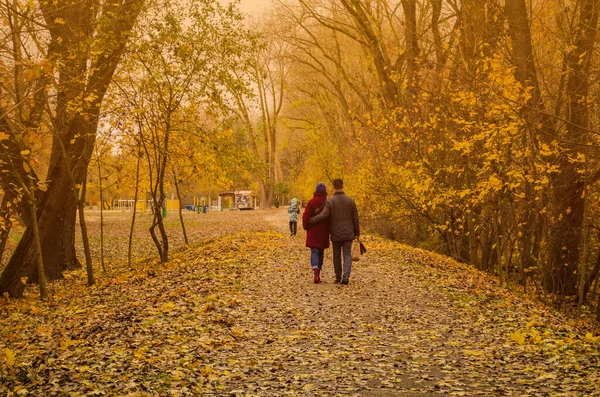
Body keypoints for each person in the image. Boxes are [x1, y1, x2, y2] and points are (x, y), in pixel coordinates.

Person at [310, 179, 359, 285]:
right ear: (343, 186)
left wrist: (312, 220)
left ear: (333, 187)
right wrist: (357, 233)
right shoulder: (350, 201)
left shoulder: (330, 201)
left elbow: (324, 215)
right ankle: (346, 276)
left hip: (335, 232)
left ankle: (338, 277)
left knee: (336, 255)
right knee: (347, 254)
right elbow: (355, 218)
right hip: (348, 232)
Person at [302, 183, 330, 283]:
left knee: (314, 251)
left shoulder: (311, 202)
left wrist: (306, 227)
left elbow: (306, 216)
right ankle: (319, 272)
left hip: (313, 231)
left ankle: (316, 272)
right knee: (321, 252)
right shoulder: (327, 203)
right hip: (323, 231)